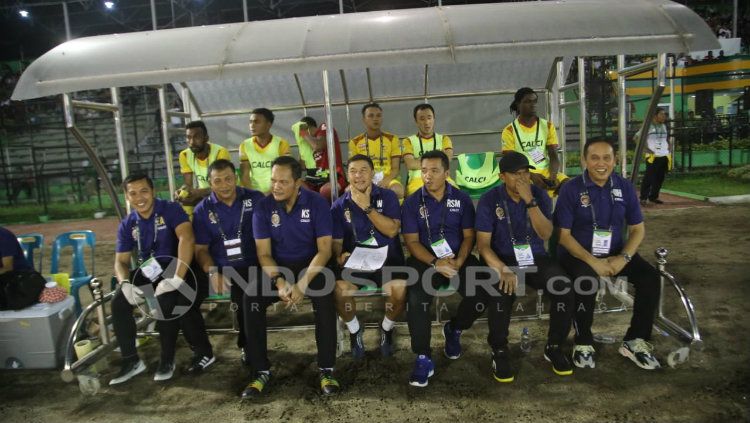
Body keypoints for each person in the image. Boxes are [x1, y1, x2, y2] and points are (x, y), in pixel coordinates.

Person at [554, 139, 662, 371]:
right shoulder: (571, 189)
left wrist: (623, 258)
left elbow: (637, 229)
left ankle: (635, 340)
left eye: (607, 158)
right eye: (594, 158)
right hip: (577, 254)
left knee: (650, 278)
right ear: (584, 160)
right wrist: (593, 262)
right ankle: (583, 342)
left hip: (615, 253)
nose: (601, 163)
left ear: (615, 160)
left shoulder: (624, 187)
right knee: (587, 281)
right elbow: (563, 236)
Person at [470, 152, 574, 381]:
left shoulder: (538, 196)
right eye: (516, 174)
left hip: (536, 257)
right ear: (502, 177)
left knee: (563, 287)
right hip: (503, 258)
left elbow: (546, 234)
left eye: (525, 173)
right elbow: (483, 246)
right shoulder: (489, 200)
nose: (522, 179)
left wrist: (530, 202)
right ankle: (499, 350)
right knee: (500, 293)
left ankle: (554, 346)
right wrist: (502, 269)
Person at [243, 156, 340, 398]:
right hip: (278, 267)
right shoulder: (263, 208)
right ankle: (260, 371)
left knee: (325, 298)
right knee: (250, 298)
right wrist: (280, 281)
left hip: (313, 266)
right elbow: (263, 254)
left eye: (283, 182)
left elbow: (324, 250)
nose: (276, 186)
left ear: (298, 183)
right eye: (273, 180)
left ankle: (327, 369)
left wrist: (302, 284)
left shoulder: (317, 203)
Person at [110, 173, 214, 385]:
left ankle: (167, 360)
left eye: (144, 191)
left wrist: (176, 278)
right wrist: (125, 283)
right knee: (119, 301)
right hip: (150, 271)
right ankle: (131, 361)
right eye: (133, 193)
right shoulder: (128, 223)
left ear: (153, 191)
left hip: (179, 268)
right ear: (126, 197)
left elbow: (187, 238)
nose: (140, 197)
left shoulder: (170, 209)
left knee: (167, 302)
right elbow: (120, 261)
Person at [401, 150, 478, 387]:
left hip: (457, 259)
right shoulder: (413, 202)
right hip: (425, 261)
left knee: (482, 292)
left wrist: (459, 261)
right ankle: (423, 356)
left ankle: (454, 329)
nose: (428, 175)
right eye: (424, 170)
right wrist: (436, 263)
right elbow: (412, 242)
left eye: (434, 171)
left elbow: (468, 236)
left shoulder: (462, 199)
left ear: (447, 173)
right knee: (417, 299)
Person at [331, 154, 406, 359]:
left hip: (388, 259)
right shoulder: (339, 206)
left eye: (364, 170)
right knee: (339, 290)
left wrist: (366, 207)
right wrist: (339, 255)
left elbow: (392, 231)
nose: (358, 175)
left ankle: (386, 328)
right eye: (353, 171)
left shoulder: (388, 196)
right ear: (347, 175)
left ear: (372, 173)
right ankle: (355, 330)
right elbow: (336, 242)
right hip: (357, 262)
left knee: (399, 290)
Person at [192, 159, 265, 367]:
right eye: (217, 181)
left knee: (247, 294)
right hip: (222, 266)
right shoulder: (202, 210)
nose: (224, 185)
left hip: (255, 264)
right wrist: (213, 272)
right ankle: (209, 350)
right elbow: (201, 250)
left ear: (236, 178)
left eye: (228, 179)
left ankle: (249, 345)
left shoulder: (256, 199)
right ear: (210, 183)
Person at [502, 87, 568, 195]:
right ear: (518, 104)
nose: (533, 105)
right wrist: (531, 176)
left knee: (569, 186)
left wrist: (553, 176)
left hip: (546, 172)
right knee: (535, 191)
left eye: (535, 101)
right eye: (528, 102)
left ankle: (560, 212)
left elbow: (553, 156)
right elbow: (511, 162)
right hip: (523, 174)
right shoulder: (509, 130)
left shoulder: (547, 126)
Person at [348, 103, 404, 199]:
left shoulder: (392, 139)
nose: (375, 119)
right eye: (371, 116)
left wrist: (386, 180)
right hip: (365, 178)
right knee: (348, 192)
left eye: (378, 115)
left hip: (387, 178)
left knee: (397, 190)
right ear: (364, 119)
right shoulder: (355, 142)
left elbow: (395, 168)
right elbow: (353, 169)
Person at [402, 104, 455, 196]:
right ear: (416, 121)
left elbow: (447, 159)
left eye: (429, 118)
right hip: (417, 180)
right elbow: (410, 164)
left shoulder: (444, 139)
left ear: (434, 118)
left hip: (443, 178)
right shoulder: (408, 141)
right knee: (418, 198)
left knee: (457, 194)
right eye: (422, 119)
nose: (426, 122)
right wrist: (437, 163)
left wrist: (418, 162)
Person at [176, 121, 231, 207]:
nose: (192, 142)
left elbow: (223, 185)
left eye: (196, 137)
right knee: (184, 202)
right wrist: (182, 191)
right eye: (188, 137)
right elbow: (188, 184)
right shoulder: (184, 155)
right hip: (205, 195)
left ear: (206, 138)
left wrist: (199, 192)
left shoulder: (220, 152)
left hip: (225, 194)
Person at [291, 116, 347, 202]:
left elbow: (318, 146)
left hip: (334, 177)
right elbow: (302, 166)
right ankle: (314, 210)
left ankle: (322, 209)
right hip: (315, 180)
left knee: (325, 190)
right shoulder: (308, 143)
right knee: (295, 185)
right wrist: (301, 144)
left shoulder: (324, 127)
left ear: (306, 127)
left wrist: (303, 132)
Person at [239, 108, 291, 194]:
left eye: (257, 122)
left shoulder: (281, 144)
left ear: (268, 125)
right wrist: (253, 195)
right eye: (250, 122)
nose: (252, 125)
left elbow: (285, 173)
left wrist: (270, 193)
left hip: (277, 192)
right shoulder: (245, 145)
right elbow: (244, 175)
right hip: (254, 193)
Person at [636, 107, 670, 205]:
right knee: (649, 177)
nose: (664, 116)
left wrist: (668, 146)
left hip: (664, 156)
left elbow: (666, 138)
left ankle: (653, 197)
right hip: (652, 157)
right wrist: (645, 149)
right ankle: (643, 198)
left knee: (660, 177)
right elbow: (636, 138)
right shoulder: (648, 126)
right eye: (662, 114)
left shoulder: (664, 126)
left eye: (665, 114)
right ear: (655, 116)